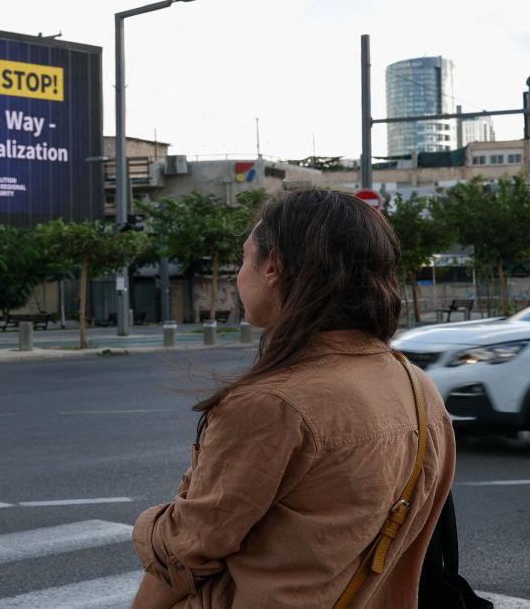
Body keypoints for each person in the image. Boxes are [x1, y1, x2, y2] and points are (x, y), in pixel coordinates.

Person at [131, 188, 455, 608]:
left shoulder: (272, 404)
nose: (238, 274)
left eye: (244, 259)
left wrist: (149, 529)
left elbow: (188, 550)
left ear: (273, 266)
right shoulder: (416, 385)